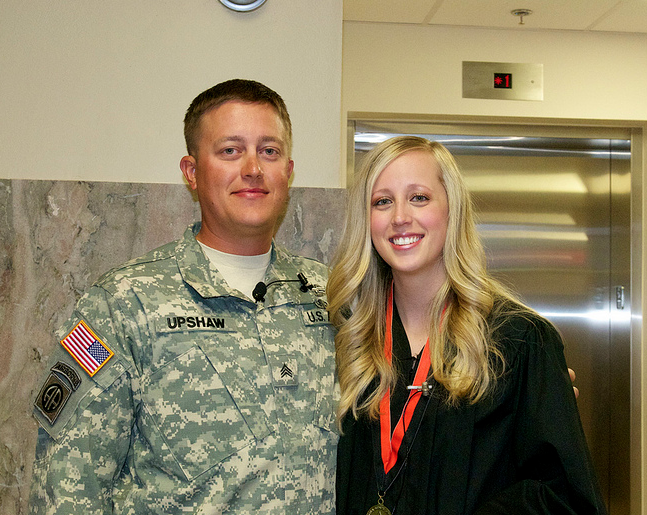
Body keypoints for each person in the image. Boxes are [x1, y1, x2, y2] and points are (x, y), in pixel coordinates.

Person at [29, 79, 337, 514]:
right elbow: (67, 489)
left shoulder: (330, 297)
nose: (253, 168)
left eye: (269, 151)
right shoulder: (123, 304)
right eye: (230, 150)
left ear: (288, 170)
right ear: (192, 172)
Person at [327, 136, 606, 514]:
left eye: (419, 197)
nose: (400, 217)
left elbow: (567, 498)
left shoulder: (519, 341)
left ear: (451, 210)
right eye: (382, 201)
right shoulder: (348, 339)